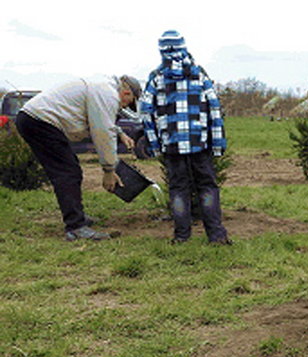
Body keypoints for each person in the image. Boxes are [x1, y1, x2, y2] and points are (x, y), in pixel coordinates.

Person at [15, 75, 143, 241]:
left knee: (69, 169)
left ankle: (77, 217)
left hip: (34, 119)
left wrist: (120, 134)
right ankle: (75, 227)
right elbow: (102, 132)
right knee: (67, 172)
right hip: (40, 121)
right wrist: (109, 170)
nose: (123, 106)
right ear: (126, 93)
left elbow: (98, 118)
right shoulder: (107, 93)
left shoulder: (103, 86)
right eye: (128, 102)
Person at [139, 30, 230, 245]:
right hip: (201, 143)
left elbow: (145, 111)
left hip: (171, 145)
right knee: (207, 187)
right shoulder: (200, 75)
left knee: (178, 189)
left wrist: (155, 144)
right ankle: (216, 236)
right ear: (184, 47)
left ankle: (181, 237)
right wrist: (217, 143)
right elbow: (215, 110)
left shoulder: (156, 78)